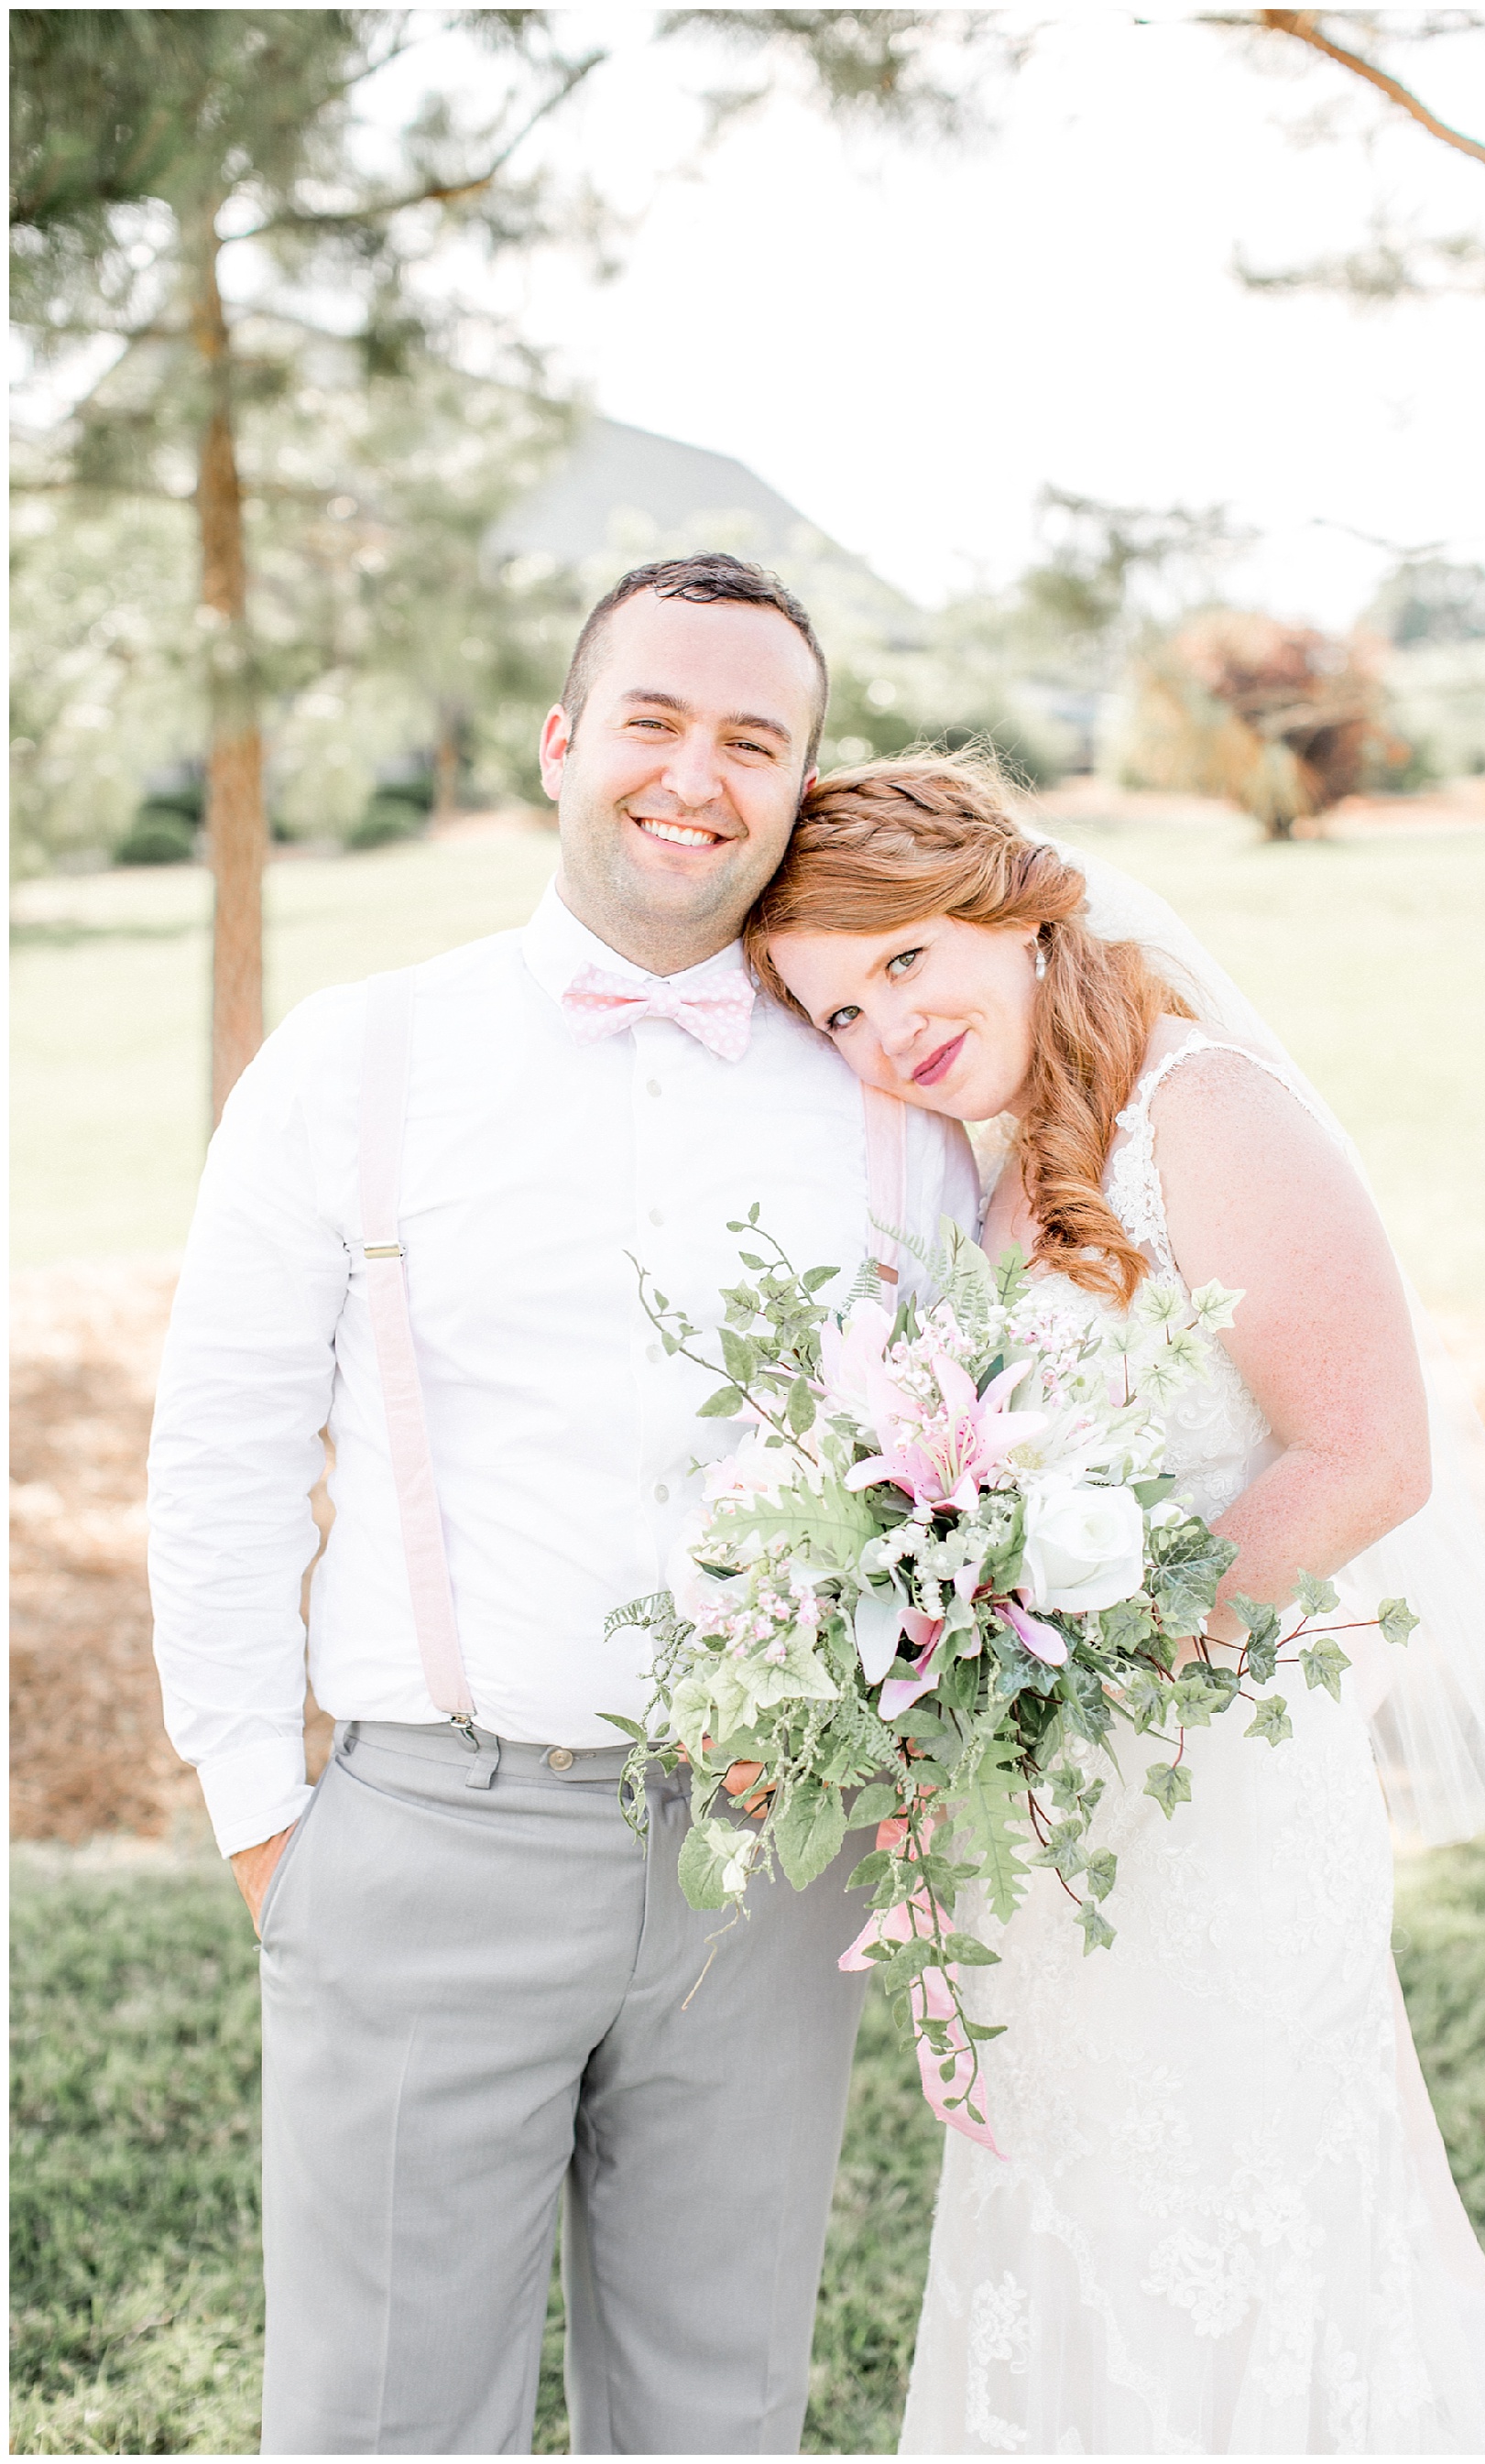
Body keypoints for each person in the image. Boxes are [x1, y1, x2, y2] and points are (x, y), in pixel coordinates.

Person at [146, 555, 978, 2457]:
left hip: (770, 1863)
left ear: (798, 785)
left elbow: (960, 1447)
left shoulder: (888, 1098)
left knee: (718, 2415)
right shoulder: (360, 1058)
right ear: (561, 743)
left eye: (753, 742)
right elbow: (223, 1451)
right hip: (432, 1831)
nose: (697, 775)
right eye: (655, 721)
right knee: (378, 2423)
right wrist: (267, 1818)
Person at [745, 750, 1485, 2456]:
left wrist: (1099, 1668)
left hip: (1215, 1810)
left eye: (903, 959)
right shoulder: (989, 1173)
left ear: (1000, 900)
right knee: (1070, 2236)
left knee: (1244, 2230)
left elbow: (1368, 1453)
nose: (887, 1031)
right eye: (839, 1012)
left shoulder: (1201, 1107)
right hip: (1057, 1845)